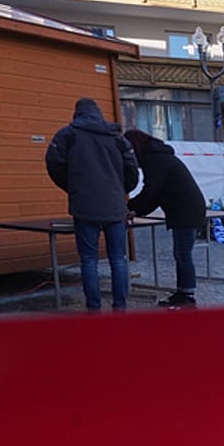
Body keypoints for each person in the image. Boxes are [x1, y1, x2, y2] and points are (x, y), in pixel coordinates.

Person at [45, 98, 139, 312]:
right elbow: (132, 169)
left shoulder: (67, 134)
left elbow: (53, 163)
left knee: (88, 261)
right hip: (115, 206)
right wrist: (120, 190)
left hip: (84, 206)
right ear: (98, 113)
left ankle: (94, 310)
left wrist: (73, 187)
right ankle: (120, 308)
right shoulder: (116, 136)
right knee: (118, 259)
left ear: (77, 113)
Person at [125, 129, 207, 307]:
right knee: (181, 253)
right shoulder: (159, 158)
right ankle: (183, 292)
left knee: (183, 254)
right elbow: (155, 195)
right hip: (187, 208)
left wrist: (130, 207)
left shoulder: (155, 161)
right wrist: (136, 210)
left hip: (185, 210)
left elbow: (151, 191)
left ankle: (187, 296)